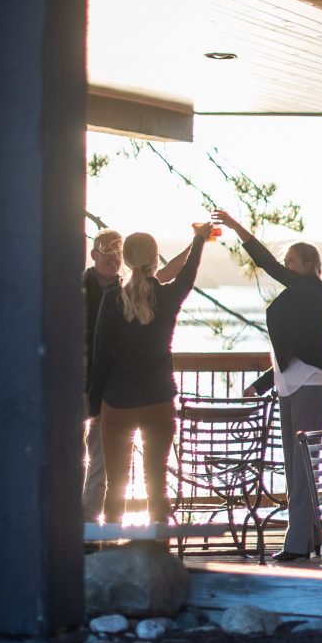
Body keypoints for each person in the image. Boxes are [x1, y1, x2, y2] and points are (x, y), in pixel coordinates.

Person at [213, 211, 322, 563]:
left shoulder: (312, 289)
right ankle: (308, 536)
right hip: (289, 383)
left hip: (310, 382)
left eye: (291, 261)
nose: (285, 266)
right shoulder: (301, 292)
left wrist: (237, 228)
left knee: (303, 465)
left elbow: (266, 264)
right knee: (295, 464)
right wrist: (263, 384)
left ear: (309, 264)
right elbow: (289, 348)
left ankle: (297, 543)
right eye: (286, 261)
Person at [87, 222, 211, 525]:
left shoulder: (112, 300)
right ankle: (159, 560)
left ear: (126, 259)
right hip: (158, 400)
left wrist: (94, 406)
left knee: (114, 491)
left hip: (117, 402)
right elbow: (188, 274)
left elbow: (101, 357)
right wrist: (199, 240)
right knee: (157, 490)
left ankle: (111, 562)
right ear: (156, 260)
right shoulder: (168, 298)